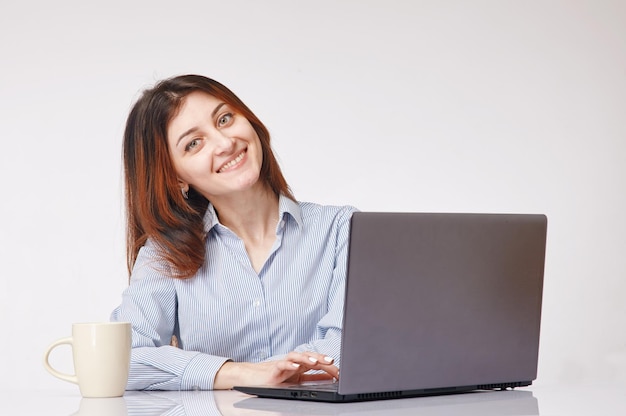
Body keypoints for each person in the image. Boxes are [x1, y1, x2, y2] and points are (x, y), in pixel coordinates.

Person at [110, 74, 358, 391]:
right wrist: (240, 374)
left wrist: (271, 373)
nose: (225, 143)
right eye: (193, 143)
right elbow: (122, 360)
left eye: (225, 119)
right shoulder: (164, 256)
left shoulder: (341, 230)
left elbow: (350, 348)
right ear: (176, 179)